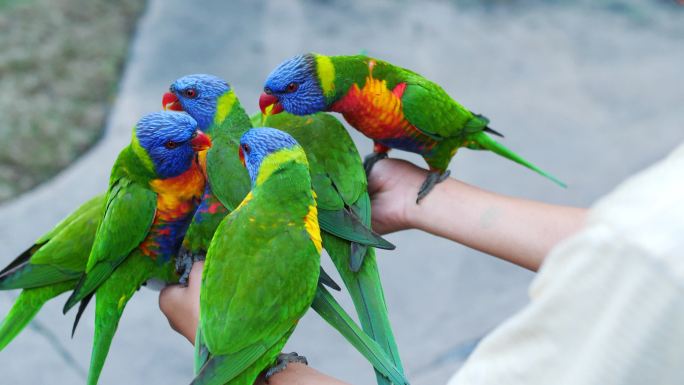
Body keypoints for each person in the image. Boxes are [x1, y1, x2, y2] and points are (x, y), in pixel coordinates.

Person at [160, 140, 684, 385]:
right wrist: (423, 198)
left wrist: (251, 362)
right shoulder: (643, 241)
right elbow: (633, 238)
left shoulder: (646, 260)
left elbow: (643, 250)